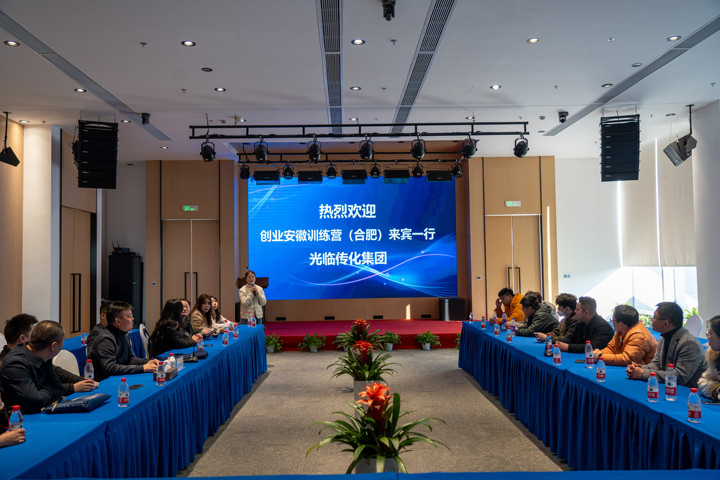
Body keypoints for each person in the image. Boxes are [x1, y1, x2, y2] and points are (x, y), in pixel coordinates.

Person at [1, 314, 96, 394]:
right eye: (33, 333)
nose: (37, 336)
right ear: (22, 338)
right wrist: (72, 387)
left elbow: (56, 372)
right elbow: (36, 392)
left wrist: (83, 381)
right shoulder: (11, 364)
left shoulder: (31, 354)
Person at [626, 302, 707, 387]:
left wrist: (643, 373)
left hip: (688, 391)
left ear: (666, 323)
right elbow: (657, 364)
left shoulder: (689, 344)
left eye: (654, 318)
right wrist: (639, 368)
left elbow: (679, 377)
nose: (652, 320)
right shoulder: (663, 338)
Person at [0, 320, 66, 413]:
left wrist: (40, 391)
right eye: (62, 343)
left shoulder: (44, 356)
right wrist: (49, 388)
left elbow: (59, 389)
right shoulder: (15, 364)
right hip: (19, 419)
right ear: (53, 346)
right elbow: (35, 402)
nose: (62, 346)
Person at [88, 301, 159, 381]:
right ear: (118, 321)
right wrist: (142, 368)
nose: (132, 319)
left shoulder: (124, 334)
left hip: (119, 379)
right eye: (129, 316)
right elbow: (110, 368)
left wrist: (148, 362)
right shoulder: (105, 339)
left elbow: (130, 359)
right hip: (103, 383)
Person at [698, 315, 720, 399]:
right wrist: (716, 389)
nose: (708, 337)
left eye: (710, 333)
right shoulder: (714, 355)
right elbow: (701, 382)